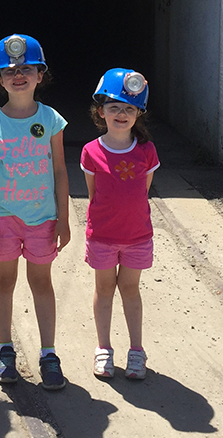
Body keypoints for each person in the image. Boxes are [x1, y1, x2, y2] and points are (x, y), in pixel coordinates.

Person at [0, 34, 71, 390]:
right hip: (3, 218)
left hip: (42, 218)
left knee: (41, 282)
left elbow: (60, 171)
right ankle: (5, 350)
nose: (18, 75)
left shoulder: (51, 119)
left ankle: (49, 354)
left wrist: (64, 218)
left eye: (26, 68)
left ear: (40, 75)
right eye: (9, 70)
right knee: (4, 281)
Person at [80, 68, 159, 380]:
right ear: (101, 112)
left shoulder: (146, 151)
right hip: (101, 236)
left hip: (138, 236)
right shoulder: (90, 151)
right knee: (104, 289)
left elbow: (143, 191)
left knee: (130, 289)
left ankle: (136, 351)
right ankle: (104, 349)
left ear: (139, 113)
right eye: (114, 107)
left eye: (129, 108)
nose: (121, 114)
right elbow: (93, 194)